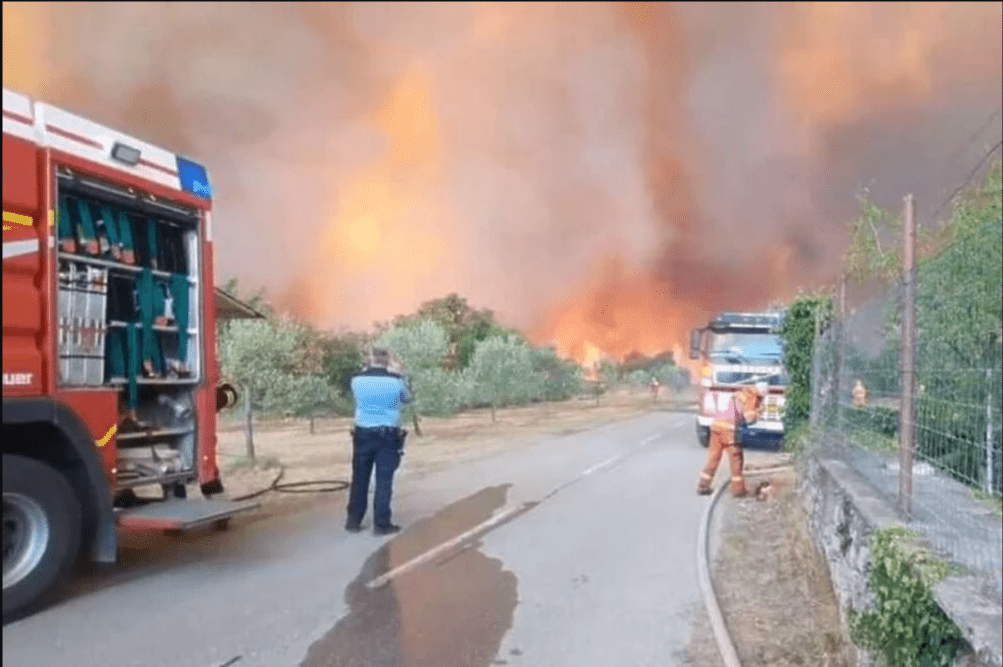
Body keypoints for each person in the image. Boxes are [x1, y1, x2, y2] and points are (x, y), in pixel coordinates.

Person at [345, 348, 413, 535]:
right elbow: (408, 398)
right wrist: (403, 375)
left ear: (369, 360)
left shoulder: (356, 380)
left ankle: (353, 520)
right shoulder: (397, 382)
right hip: (388, 434)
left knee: (359, 478)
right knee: (384, 480)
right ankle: (381, 523)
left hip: (362, 433)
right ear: (387, 361)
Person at [696, 381, 767, 498]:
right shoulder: (752, 398)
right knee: (736, 460)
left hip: (716, 427)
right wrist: (758, 415)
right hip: (730, 430)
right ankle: (738, 490)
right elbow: (749, 417)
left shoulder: (740, 393)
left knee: (713, 458)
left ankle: (703, 486)